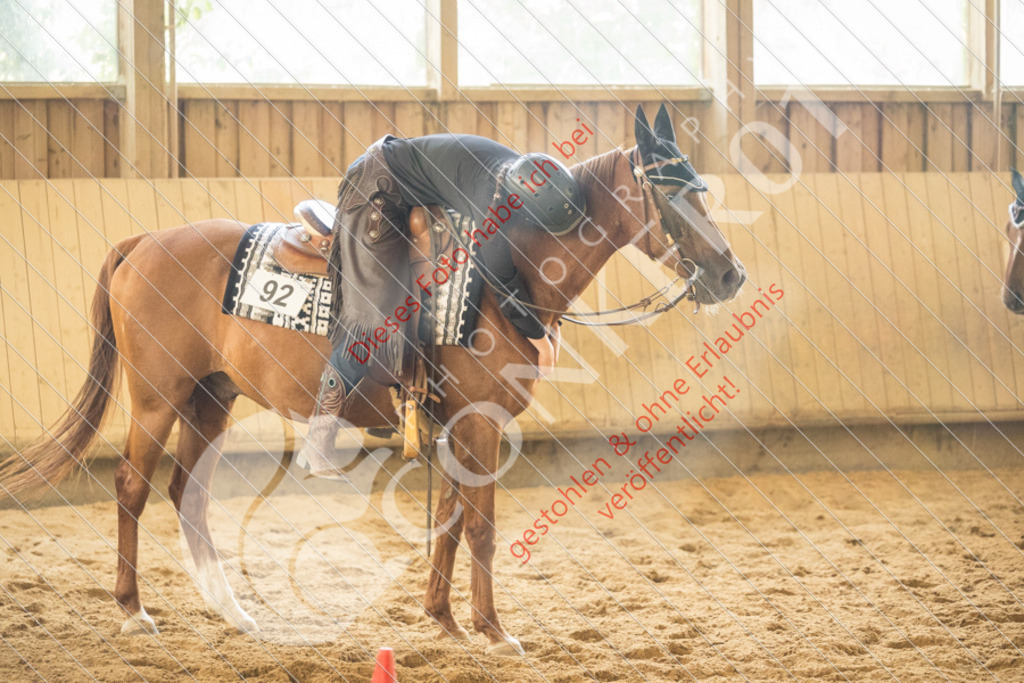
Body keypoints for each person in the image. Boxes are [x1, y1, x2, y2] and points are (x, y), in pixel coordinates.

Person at [300, 134, 586, 470]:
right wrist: (541, 340)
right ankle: (318, 439)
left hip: (410, 176)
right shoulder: (493, 206)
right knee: (371, 324)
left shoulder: (522, 171)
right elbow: (502, 279)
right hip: (375, 187)